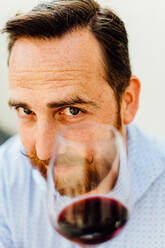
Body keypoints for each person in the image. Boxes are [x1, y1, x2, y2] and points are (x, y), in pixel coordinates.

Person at [0, 0, 164, 247]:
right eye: (26, 110)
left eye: (72, 111)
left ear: (127, 102)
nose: (44, 151)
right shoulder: (4, 181)